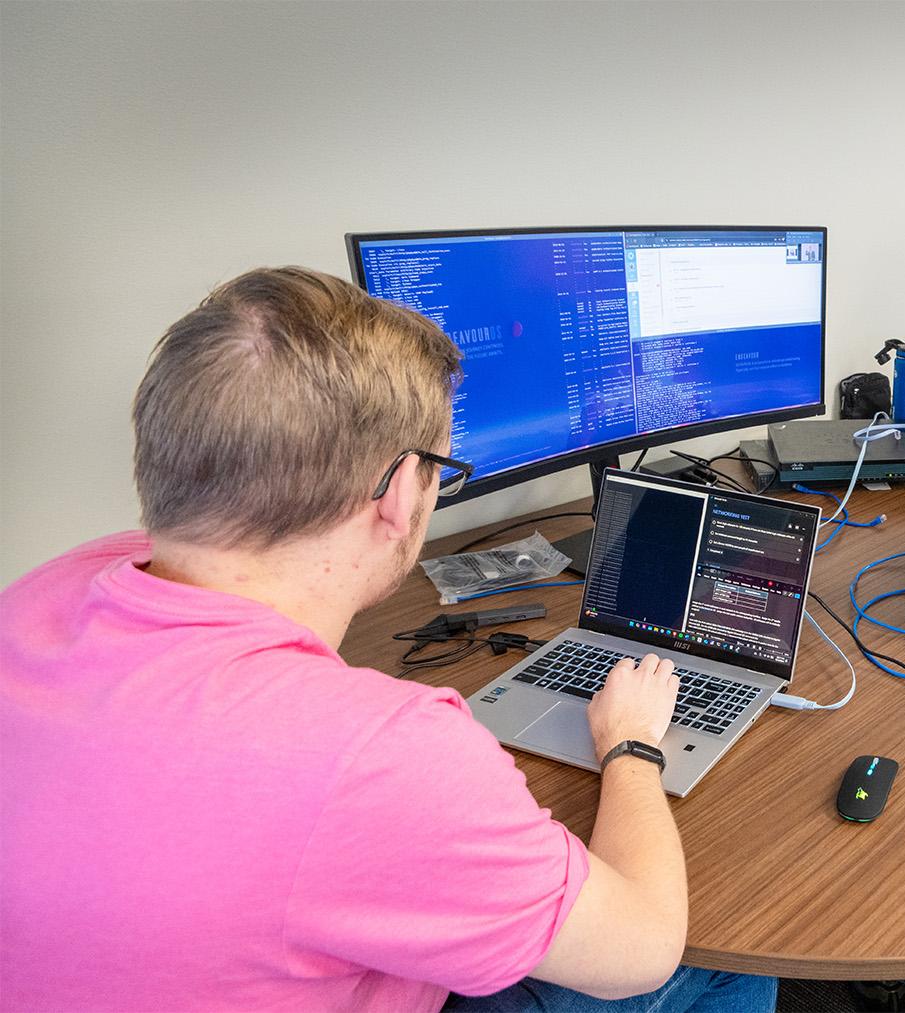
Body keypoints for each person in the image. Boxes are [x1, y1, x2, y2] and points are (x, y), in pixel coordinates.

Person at [0, 268, 775, 1013]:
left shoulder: (49, 590)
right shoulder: (379, 750)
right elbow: (644, 946)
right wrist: (632, 746)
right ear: (402, 491)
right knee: (719, 964)